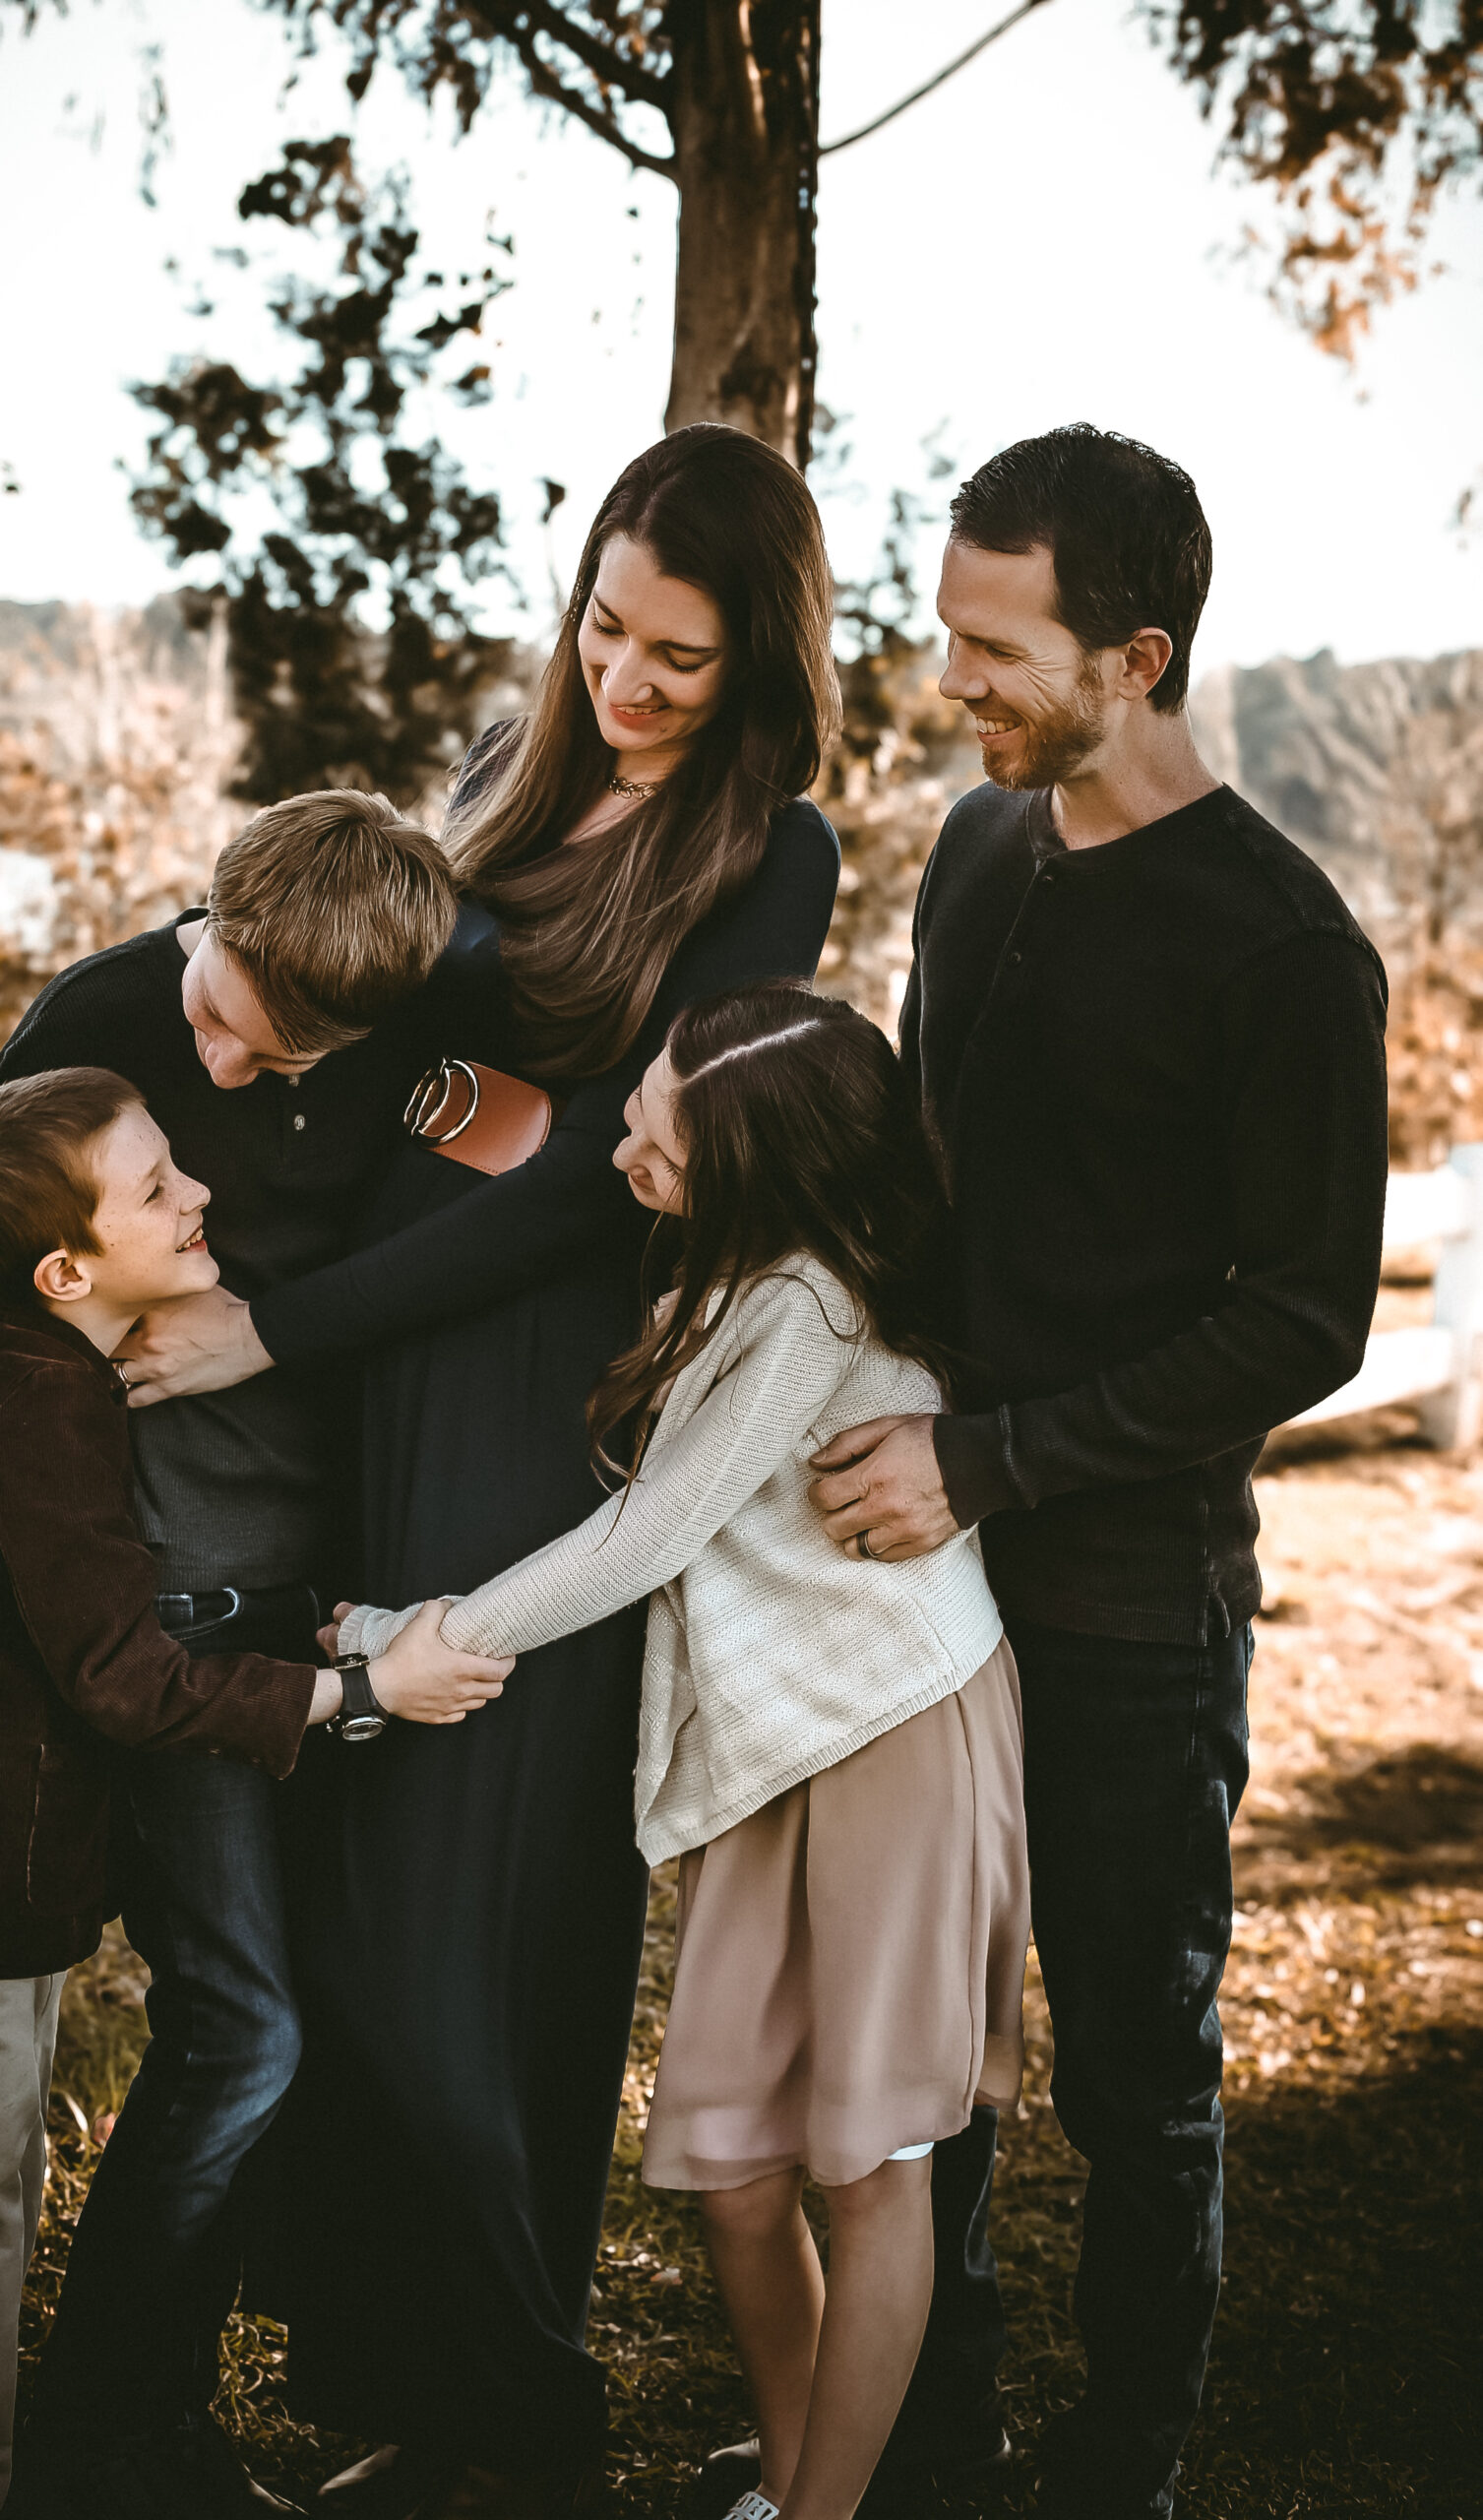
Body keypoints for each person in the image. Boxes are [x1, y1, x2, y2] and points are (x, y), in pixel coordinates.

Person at [114, 425, 844, 2515]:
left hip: (531, 1407)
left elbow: (593, 1191)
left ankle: (521, 2407)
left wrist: (277, 1321)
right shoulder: (491, 794)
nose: (622, 674)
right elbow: (370, 1069)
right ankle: (403, 2383)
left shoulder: (763, 856)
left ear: (757, 665)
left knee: (468, 1930)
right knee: (346, 1914)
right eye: (604, 623)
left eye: (677, 656)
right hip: (364, 1402)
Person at [806, 424, 1390, 2520]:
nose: (947, 677)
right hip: (915, 1579)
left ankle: (1121, 2453)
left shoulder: (1280, 948)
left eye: (991, 643)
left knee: (1135, 2072)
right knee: (921, 2063)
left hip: (1132, 1599)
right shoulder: (973, 847)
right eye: (942, 627)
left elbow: (1300, 1316)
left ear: (1132, 656)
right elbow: (918, 1180)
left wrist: (995, 1458)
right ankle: (927, 2440)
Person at [0, 789, 459, 2516]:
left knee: (275, 2019)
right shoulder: (106, 1021)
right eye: (222, 1020)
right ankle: (106, 2427)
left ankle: (151, 2399)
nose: (223, 1077)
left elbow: (487, 1215)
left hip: (302, 1585)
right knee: (237, 2025)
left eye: (268, 1059)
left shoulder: (405, 1055)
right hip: (163, 1596)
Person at [328, 983, 1029, 2520]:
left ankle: (825, 2508)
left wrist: (429, 1635)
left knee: (870, 2165)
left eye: (668, 1121)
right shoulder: (722, 1276)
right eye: (652, 1087)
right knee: (730, 2169)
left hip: (891, 1741)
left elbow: (646, 1536)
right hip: (775, 1761)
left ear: (760, 1169)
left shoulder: (804, 1311)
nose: (633, 1125)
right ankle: (794, 2480)